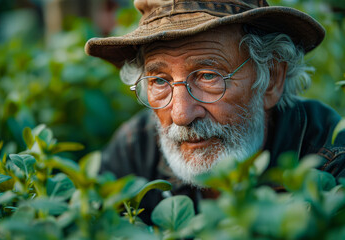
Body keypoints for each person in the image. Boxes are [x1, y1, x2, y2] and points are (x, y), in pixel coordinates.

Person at [84, 0, 345, 224]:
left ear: (271, 79)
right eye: (160, 81)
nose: (181, 114)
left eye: (208, 76)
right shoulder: (135, 149)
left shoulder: (330, 164)